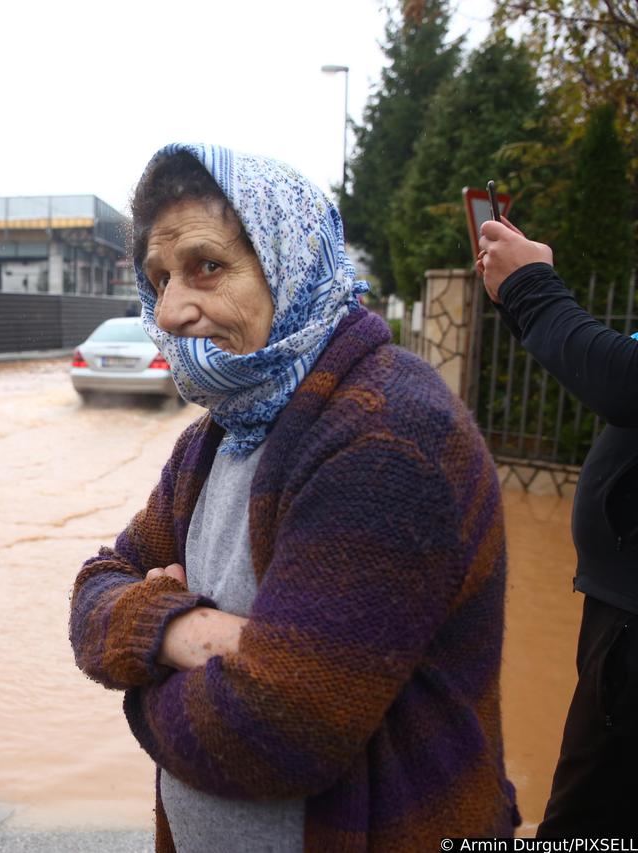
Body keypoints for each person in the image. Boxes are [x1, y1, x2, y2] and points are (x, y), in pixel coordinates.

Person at [69, 144, 518, 852]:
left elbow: (278, 730)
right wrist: (182, 629)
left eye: (206, 266)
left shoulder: (387, 431)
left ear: (289, 260)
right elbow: (94, 592)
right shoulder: (216, 437)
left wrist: (140, 680)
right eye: (157, 279)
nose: (172, 309)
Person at [478, 217, 638, 838]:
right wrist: (518, 297)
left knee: (584, 819)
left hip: (632, 630)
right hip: (618, 611)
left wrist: (532, 287)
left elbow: (625, 384)